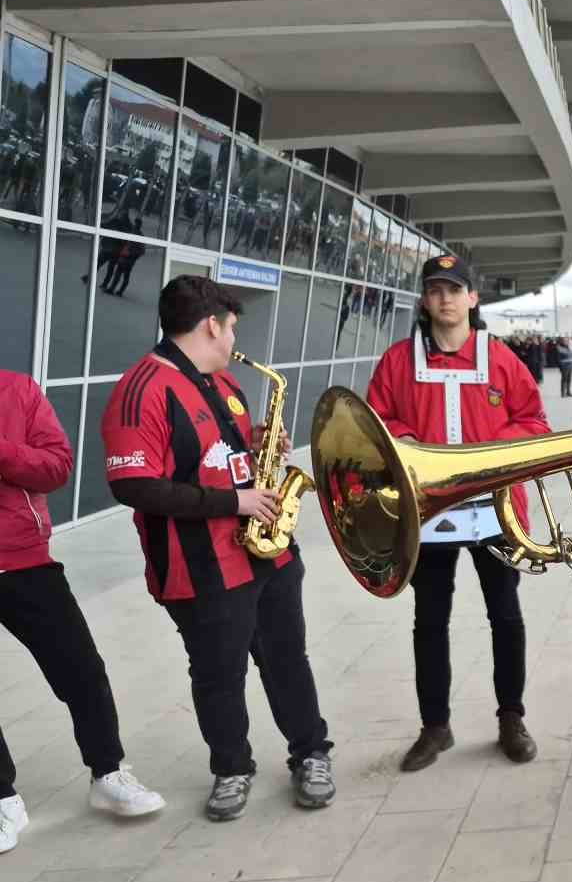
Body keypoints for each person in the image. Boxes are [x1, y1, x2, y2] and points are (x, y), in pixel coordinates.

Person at [101, 276, 335, 821]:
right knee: (218, 675)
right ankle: (231, 768)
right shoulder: (141, 390)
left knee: (287, 659)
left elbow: (213, 453)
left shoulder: (222, 381)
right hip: (201, 568)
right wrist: (236, 501)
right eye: (232, 328)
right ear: (212, 324)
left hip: (268, 552)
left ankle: (311, 752)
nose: (234, 341)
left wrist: (256, 443)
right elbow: (133, 486)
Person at [367, 255, 549, 773]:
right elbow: (377, 422)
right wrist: (412, 447)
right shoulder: (398, 361)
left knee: (506, 617)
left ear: (473, 298)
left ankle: (511, 718)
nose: (444, 298)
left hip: (495, 511)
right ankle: (435, 727)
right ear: (425, 301)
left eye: (454, 289)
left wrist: (485, 455)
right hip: (428, 513)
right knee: (429, 621)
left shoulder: (503, 359)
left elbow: (534, 422)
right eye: (435, 290)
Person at [0, 371, 165, 852]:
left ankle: (108, 772)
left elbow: (56, 467)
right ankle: (4, 799)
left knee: (81, 670)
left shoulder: (17, 390)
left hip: (23, 559)